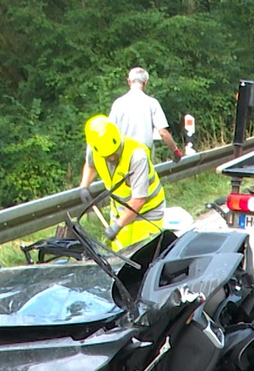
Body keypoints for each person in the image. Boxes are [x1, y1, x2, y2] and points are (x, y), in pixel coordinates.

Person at [78, 114, 165, 250]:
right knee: (122, 259)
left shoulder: (137, 156)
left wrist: (117, 225)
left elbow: (139, 200)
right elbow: (90, 165)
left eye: (114, 153)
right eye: (107, 156)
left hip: (147, 213)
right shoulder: (95, 148)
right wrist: (84, 186)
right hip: (121, 211)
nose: (112, 157)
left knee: (143, 257)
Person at [109, 67, 183, 162]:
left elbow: (110, 130)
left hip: (122, 156)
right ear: (145, 83)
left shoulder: (118, 103)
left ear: (129, 81)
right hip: (143, 156)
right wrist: (175, 150)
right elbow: (163, 132)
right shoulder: (152, 103)